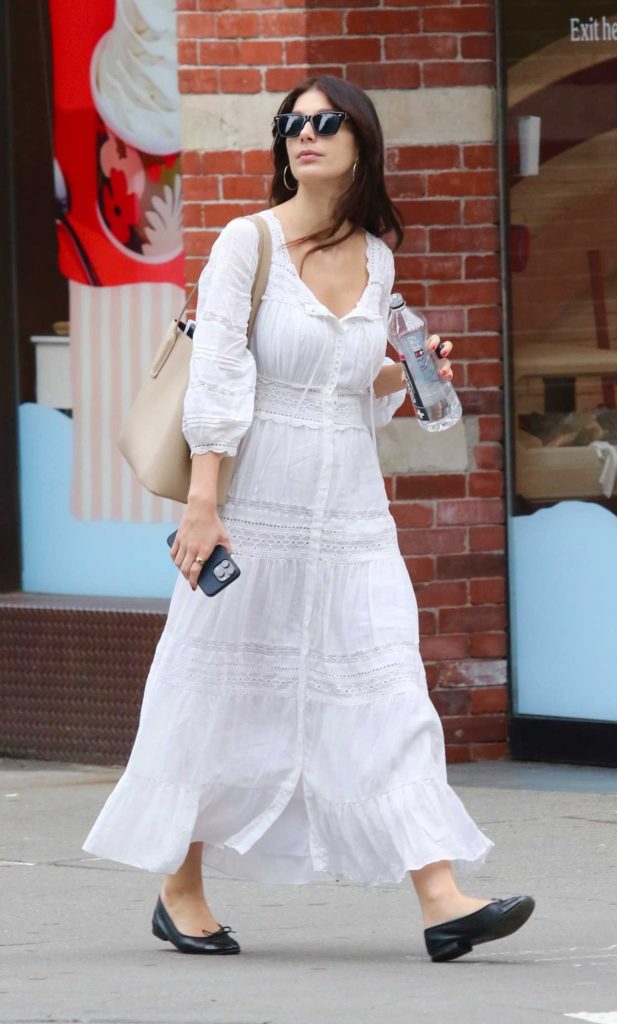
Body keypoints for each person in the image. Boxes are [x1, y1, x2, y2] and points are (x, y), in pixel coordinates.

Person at [83, 75, 535, 963]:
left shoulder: (376, 255)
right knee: (219, 692)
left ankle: (440, 898)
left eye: (326, 123)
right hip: (255, 505)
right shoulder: (244, 244)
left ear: (360, 142)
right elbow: (216, 382)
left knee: (389, 690)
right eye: (292, 123)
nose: (306, 134)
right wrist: (203, 508)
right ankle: (180, 890)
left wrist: (405, 374)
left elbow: (352, 393)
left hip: (353, 516)